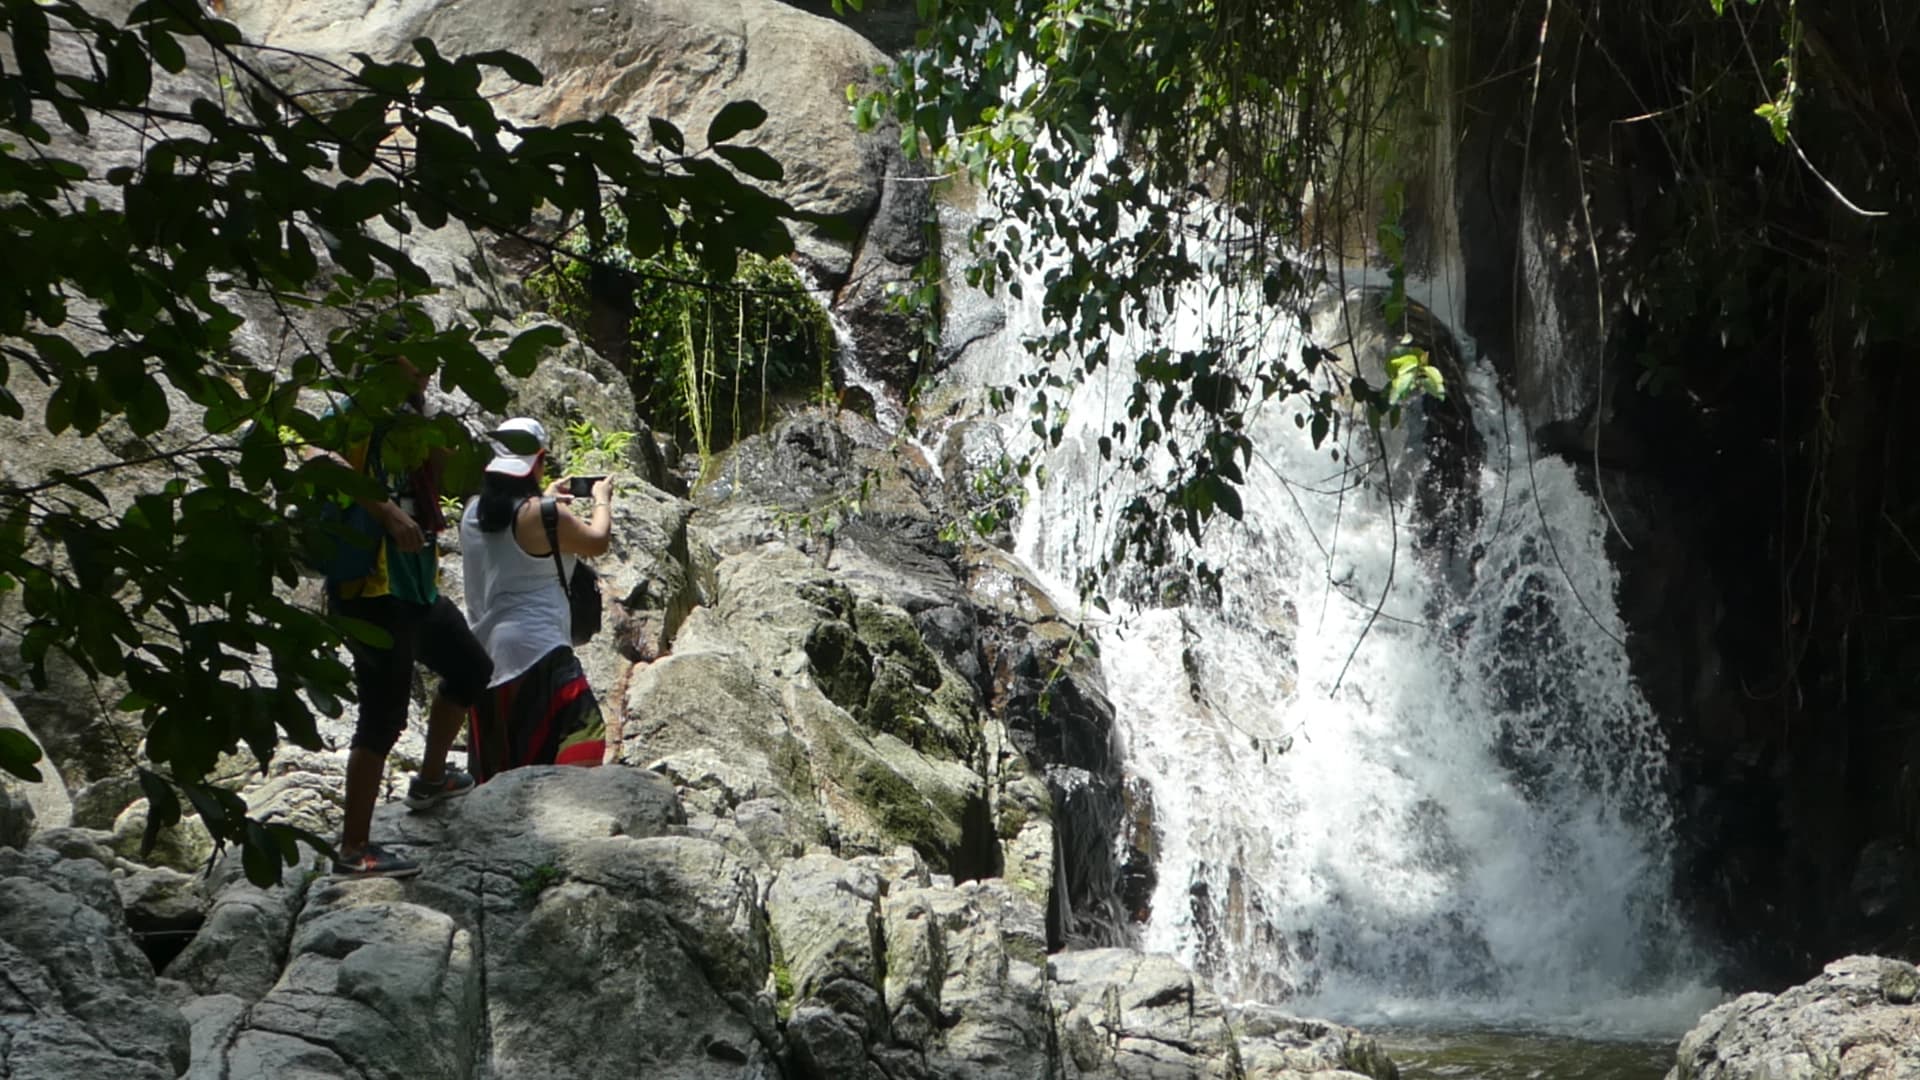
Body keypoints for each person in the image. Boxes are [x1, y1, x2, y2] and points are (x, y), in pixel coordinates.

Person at [315, 357, 493, 879]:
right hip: (369, 588)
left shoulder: (411, 422)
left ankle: (431, 778)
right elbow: (315, 456)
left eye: (429, 369)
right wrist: (385, 511)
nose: (425, 378)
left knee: (470, 670)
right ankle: (354, 850)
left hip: (412, 586)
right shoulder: (358, 412)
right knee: (384, 717)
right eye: (415, 368)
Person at [458, 417, 612, 779]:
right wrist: (602, 501)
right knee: (585, 735)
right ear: (539, 460)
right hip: (539, 647)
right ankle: (564, 814)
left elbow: (511, 530)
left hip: (486, 655)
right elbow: (598, 541)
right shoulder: (545, 516)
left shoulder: (471, 512)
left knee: (504, 762)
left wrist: (543, 500)